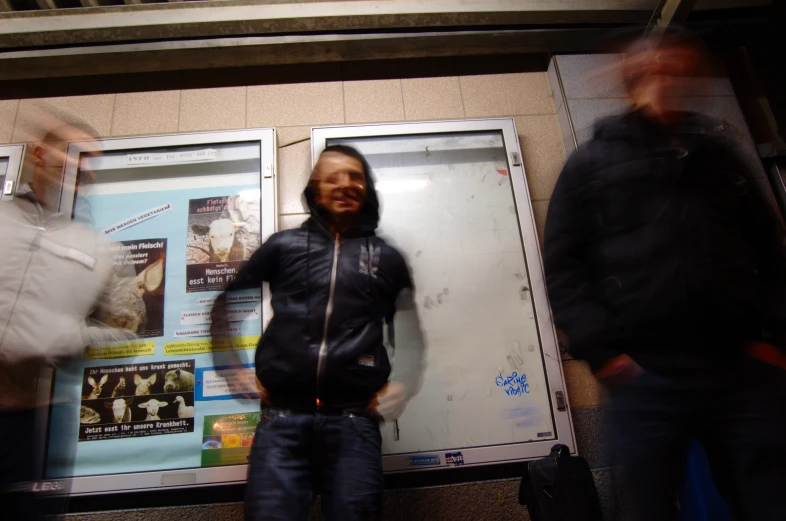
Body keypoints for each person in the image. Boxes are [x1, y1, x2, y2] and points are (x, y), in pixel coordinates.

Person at [543, 30, 786, 521]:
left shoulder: (720, 157)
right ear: (630, 75)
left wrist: (774, 338)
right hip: (644, 376)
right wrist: (606, 354)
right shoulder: (592, 162)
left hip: (740, 368)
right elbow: (564, 267)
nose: (669, 74)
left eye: (682, 66)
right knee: (646, 507)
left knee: (770, 501)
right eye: (656, 65)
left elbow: (772, 252)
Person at [210, 144, 425, 521]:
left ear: (367, 187)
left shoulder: (387, 257)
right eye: (333, 176)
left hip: (355, 423)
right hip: (281, 422)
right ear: (316, 188)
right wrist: (232, 368)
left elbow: (408, 329)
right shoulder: (283, 246)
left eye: (355, 176)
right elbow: (224, 306)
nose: (345, 184)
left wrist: (404, 381)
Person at [0, 120, 138, 519]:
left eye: (92, 160)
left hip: (33, 424)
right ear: (39, 154)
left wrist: (62, 336)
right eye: (74, 153)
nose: (85, 168)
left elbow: (128, 333)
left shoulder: (98, 248)